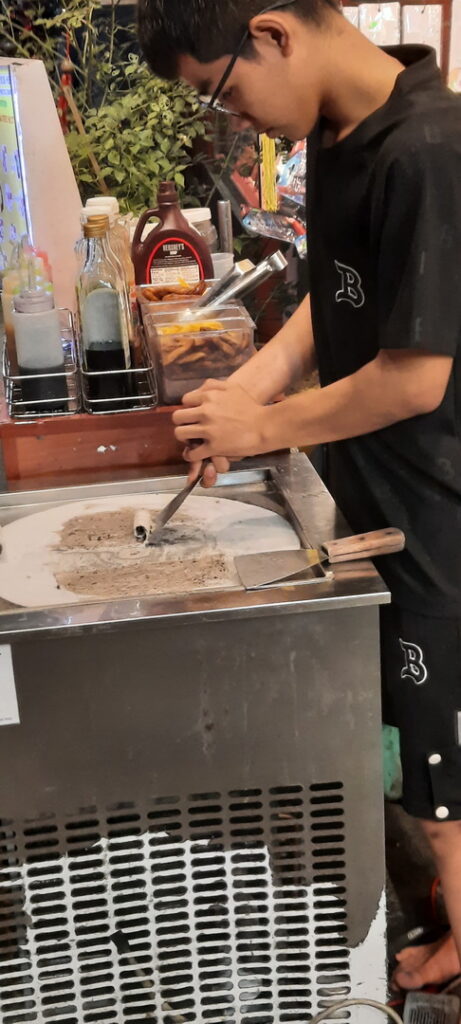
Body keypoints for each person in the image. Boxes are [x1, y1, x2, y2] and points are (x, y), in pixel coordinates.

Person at [137, 0, 461, 991]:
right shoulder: (336, 128)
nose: (234, 119)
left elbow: (416, 377)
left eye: (224, 93)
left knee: (441, 759)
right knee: (410, 734)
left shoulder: (427, 150)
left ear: (272, 33)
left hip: (437, 511)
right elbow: (337, 291)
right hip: (374, 488)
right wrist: (248, 391)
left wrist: (262, 429)